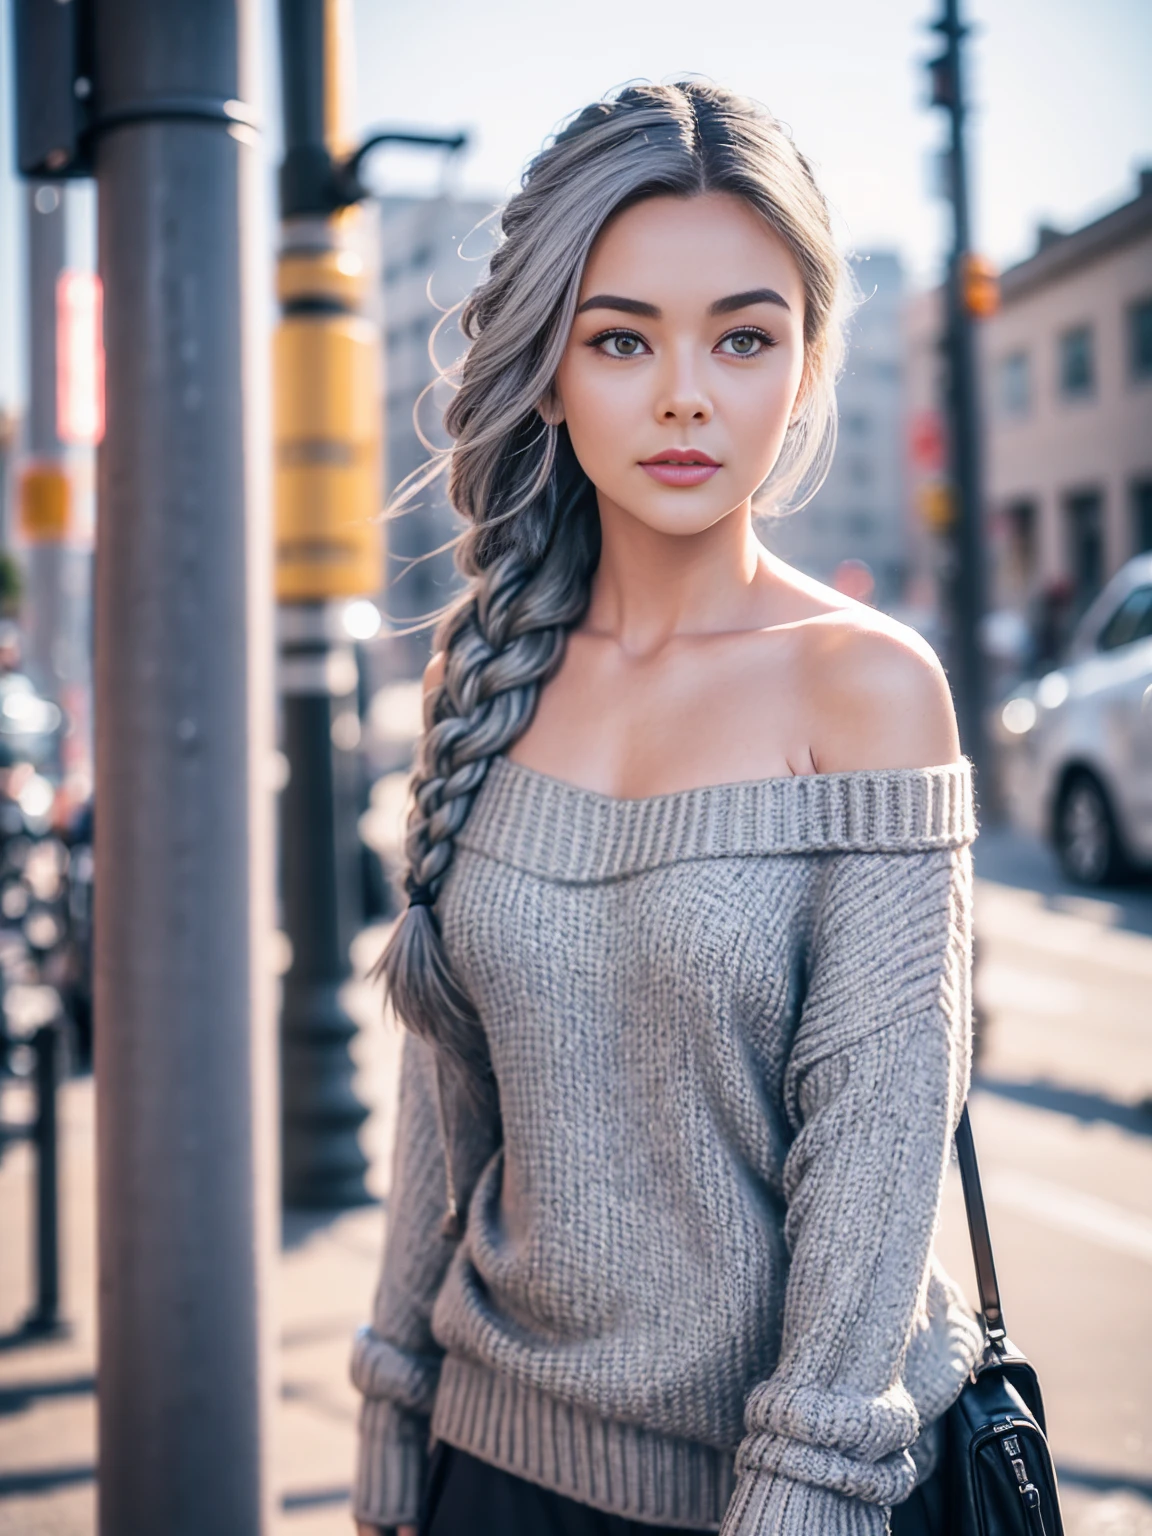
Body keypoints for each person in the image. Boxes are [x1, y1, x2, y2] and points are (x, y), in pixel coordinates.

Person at [352, 82, 982, 1536]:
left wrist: (801, 1506)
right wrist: (391, 1432)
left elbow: (875, 1161)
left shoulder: (869, 690)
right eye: (623, 338)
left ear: (806, 364)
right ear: (552, 367)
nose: (687, 394)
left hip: (792, 1498)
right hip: (489, 1471)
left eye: (743, 338)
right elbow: (447, 1106)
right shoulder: (490, 672)